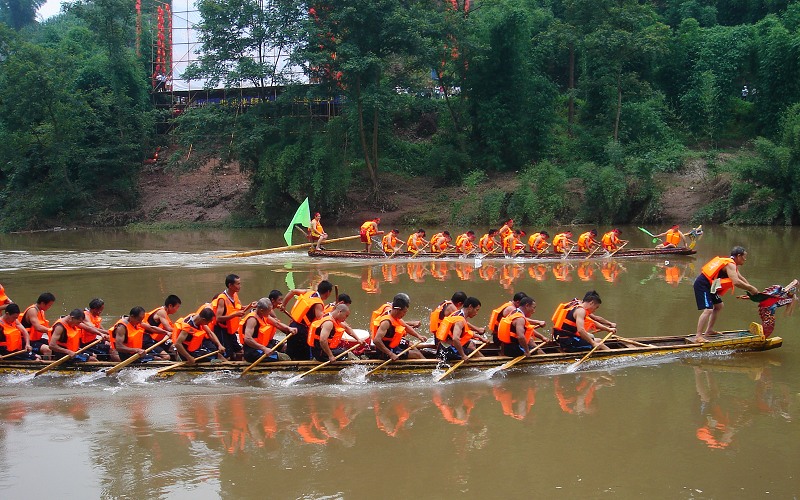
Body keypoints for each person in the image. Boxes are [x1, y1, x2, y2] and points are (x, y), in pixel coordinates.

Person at [694, 246, 759, 342]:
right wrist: (751, 288)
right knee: (708, 309)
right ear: (738, 256)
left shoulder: (732, 264)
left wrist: (751, 290)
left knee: (719, 306)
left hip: (710, 286)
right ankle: (698, 336)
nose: (745, 260)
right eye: (744, 257)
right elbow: (736, 282)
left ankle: (709, 331)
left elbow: (741, 278)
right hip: (702, 285)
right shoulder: (730, 264)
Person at [283, 280, 334, 360]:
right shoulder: (318, 303)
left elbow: (293, 291)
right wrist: (332, 312)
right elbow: (320, 318)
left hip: (292, 325)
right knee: (304, 356)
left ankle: (288, 365)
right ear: (328, 292)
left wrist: (283, 305)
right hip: (301, 330)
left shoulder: (309, 292)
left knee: (291, 352)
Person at [551, 291, 617, 351]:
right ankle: (614, 357)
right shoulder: (581, 311)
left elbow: (593, 321)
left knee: (599, 340)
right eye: (596, 307)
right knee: (600, 344)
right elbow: (581, 330)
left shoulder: (577, 305)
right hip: (568, 343)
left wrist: (608, 329)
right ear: (592, 303)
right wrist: (593, 343)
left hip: (562, 338)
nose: (595, 310)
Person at [212, 274, 256, 361]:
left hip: (231, 330)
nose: (240, 286)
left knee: (239, 349)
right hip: (222, 330)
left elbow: (239, 307)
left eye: (240, 283)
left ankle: (237, 359)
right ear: (230, 285)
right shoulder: (222, 299)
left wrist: (250, 306)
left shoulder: (235, 295)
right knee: (227, 354)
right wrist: (235, 315)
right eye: (237, 284)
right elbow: (218, 318)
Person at [239, 298, 296, 363]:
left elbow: (277, 324)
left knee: (285, 347)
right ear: (261, 310)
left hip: (264, 345)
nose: (270, 313)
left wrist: (289, 328)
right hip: (253, 352)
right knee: (284, 357)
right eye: (269, 311)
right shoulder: (252, 320)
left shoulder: (263, 315)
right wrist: (264, 349)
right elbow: (247, 339)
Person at [373, 296, 426, 360]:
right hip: (385, 351)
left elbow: (406, 327)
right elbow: (376, 340)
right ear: (397, 310)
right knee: (416, 354)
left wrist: (419, 336)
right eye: (404, 312)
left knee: (411, 344)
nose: (405, 314)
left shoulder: (394, 315)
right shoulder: (386, 322)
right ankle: (429, 366)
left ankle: (423, 359)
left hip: (392, 343)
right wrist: (390, 354)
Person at [436, 297, 487, 361]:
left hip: (442, 348)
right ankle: (484, 363)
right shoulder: (460, 320)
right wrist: (463, 355)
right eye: (476, 310)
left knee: (471, 344)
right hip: (448, 351)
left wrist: (481, 338)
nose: (476, 313)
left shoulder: (458, 313)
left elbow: (466, 333)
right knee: (471, 351)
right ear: (470, 307)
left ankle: (484, 360)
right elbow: (455, 339)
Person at [143, 295, 182, 359]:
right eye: (177, 307)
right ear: (170, 306)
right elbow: (168, 329)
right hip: (147, 340)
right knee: (167, 357)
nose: (177, 309)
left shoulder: (165, 313)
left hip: (155, 340)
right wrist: (182, 331)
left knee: (174, 348)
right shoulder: (161, 312)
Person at [21, 293, 54, 359]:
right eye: (49, 305)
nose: (50, 307)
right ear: (42, 303)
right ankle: (47, 365)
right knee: (47, 349)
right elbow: (37, 327)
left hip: (36, 339)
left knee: (54, 345)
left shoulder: (41, 311)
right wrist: (52, 330)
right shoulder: (32, 311)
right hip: (27, 341)